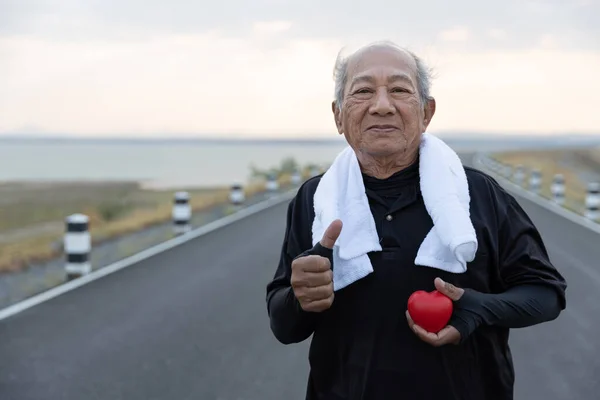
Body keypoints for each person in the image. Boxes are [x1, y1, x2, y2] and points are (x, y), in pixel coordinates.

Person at [265, 41, 567, 400]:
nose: (382, 105)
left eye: (399, 90)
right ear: (338, 115)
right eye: (363, 91)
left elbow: (546, 294)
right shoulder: (317, 200)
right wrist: (302, 298)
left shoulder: (477, 194)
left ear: (426, 112)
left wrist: (480, 309)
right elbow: (284, 326)